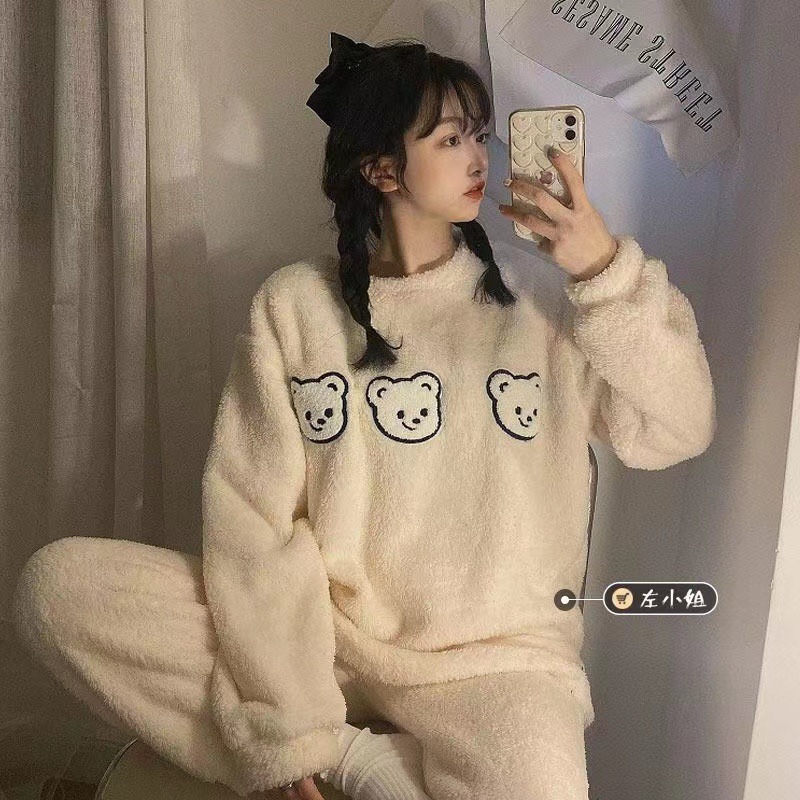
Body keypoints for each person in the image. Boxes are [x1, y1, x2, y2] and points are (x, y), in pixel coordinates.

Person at [11, 31, 717, 800]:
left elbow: (677, 430)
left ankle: (397, 768)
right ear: (381, 169)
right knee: (60, 590)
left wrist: (603, 270)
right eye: (450, 140)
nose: (478, 158)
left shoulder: (543, 299)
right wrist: (297, 729)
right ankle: (362, 761)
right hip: (329, 642)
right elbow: (253, 521)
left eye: (478, 136)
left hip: (498, 663)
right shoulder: (296, 306)